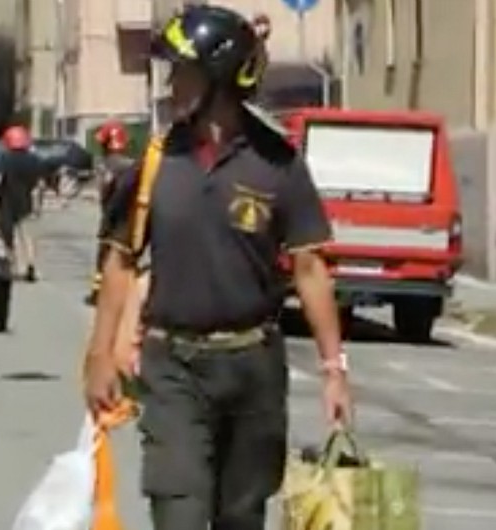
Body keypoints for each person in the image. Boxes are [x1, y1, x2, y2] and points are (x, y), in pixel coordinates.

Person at [82, 6, 352, 530]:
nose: (172, 84)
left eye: (183, 72)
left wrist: (334, 370)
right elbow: (120, 260)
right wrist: (100, 355)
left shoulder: (277, 164)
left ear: (220, 79)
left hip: (253, 368)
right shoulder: (154, 163)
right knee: (179, 510)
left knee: (241, 515)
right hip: (173, 365)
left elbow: (310, 268)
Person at [86, 120, 135, 306]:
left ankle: (100, 292)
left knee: (105, 255)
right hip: (127, 216)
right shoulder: (131, 165)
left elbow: (105, 189)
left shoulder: (105, 165)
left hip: (111, 215)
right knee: (124, 255)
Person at [0, 125, 41, 282]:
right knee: (27, 235)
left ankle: (12, 265)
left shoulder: (4, 159)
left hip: (7, 201)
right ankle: (30, 264)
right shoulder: (34, 159)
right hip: (26, 200)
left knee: (8, 235)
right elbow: (38, 183)